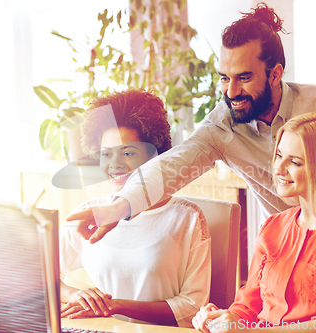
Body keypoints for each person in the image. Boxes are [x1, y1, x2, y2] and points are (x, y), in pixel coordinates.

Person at [67, 2, 316, 279]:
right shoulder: (222, 127)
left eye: (244, 78)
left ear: (276, 73)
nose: (231, 92)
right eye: (224, 78)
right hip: (290, 258)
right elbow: (171, 166)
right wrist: (115, 207)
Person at [192, 112, 316, 333]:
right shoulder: (272, 226)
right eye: (279, 155)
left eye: (294, 161)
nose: (279, 168)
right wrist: (222, 320)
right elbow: (247, 306)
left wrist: (250, 332)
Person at [59, 89, 211, 327]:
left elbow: (193, 306)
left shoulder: (187, 218)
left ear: (156, 155)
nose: (115, 164)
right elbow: (40, 277)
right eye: (106, 154)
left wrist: (116, 306)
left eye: (128, 152)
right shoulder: (89, 214)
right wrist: (75, 295)